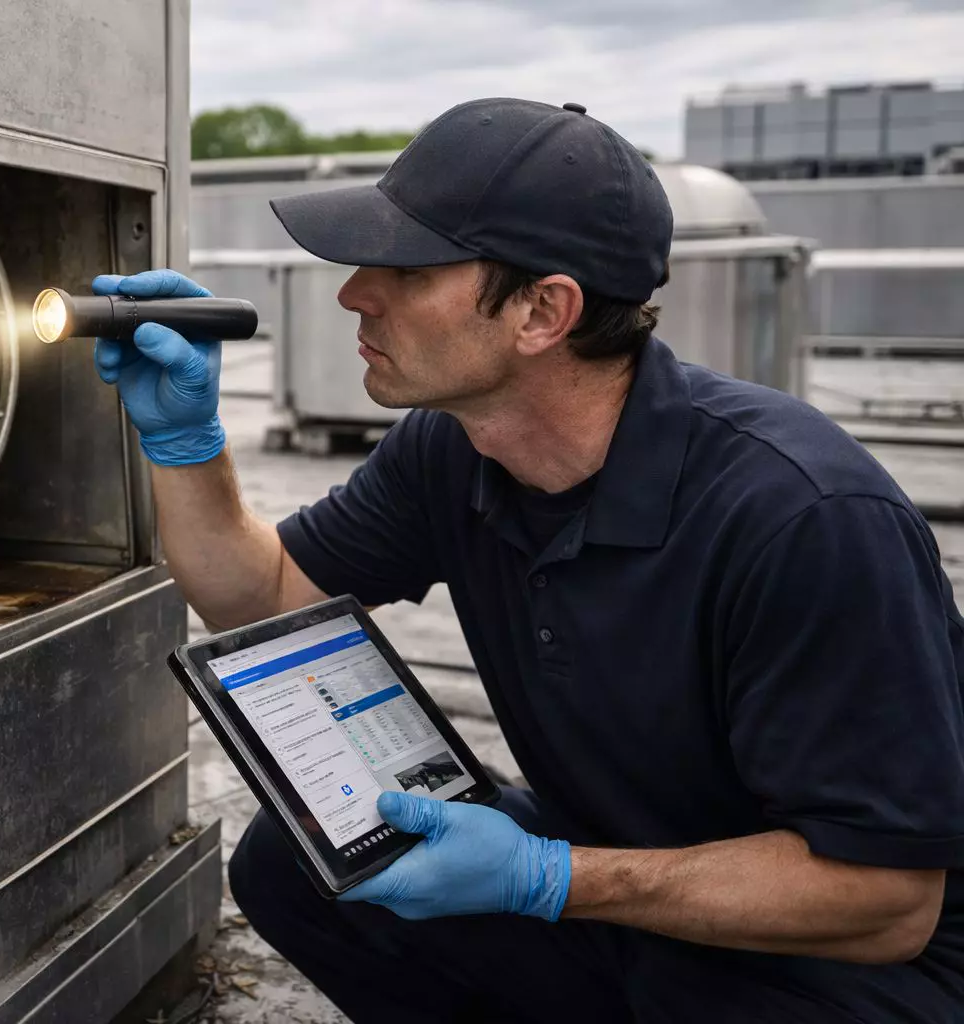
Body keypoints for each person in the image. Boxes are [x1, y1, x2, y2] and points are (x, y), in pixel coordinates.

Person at [90, 97, 964, 1022]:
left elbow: (885, 902)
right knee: (298, 864)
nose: (353, 292)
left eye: (404, 268)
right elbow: (261, 596)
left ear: (544, 311)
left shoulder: (803, 519)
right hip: (629, 885)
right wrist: (186, 444)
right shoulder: (454, 447)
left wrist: (548, 878)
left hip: (839, 968)